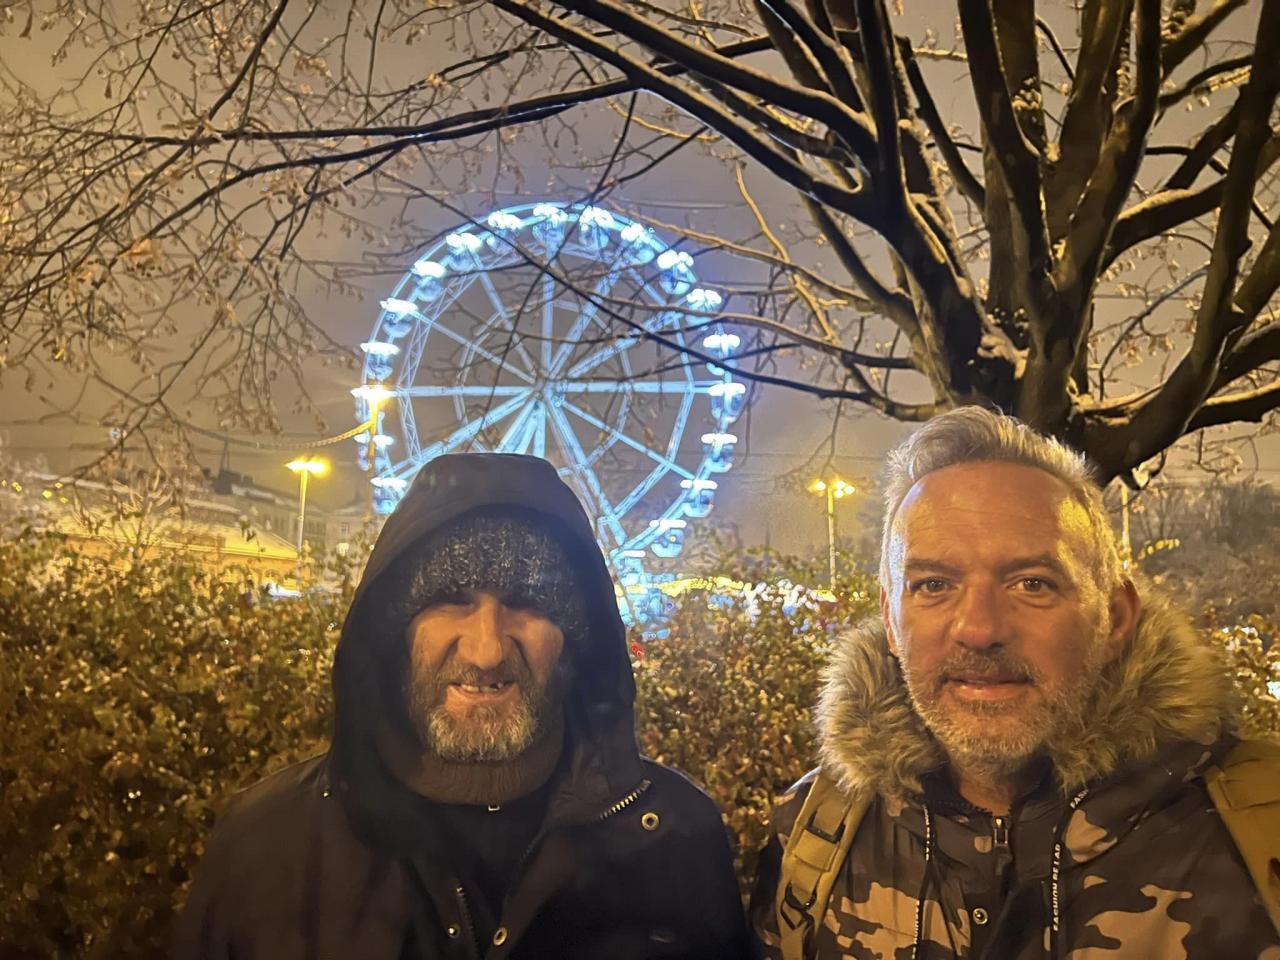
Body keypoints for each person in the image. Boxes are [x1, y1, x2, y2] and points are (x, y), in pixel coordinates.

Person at [751, 406, 1280, 959]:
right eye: (933, 585)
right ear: (890, 621)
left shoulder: (1256, 834)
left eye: (1032, 583)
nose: (980, 630)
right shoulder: (812, 836)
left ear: (1115, 616)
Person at [174, 453, 749, 959]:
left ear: (575, 638)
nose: (486, 650)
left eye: (527, 603)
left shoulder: (675, 841)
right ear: (394, 629)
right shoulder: (267, 844)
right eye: (450, 600)